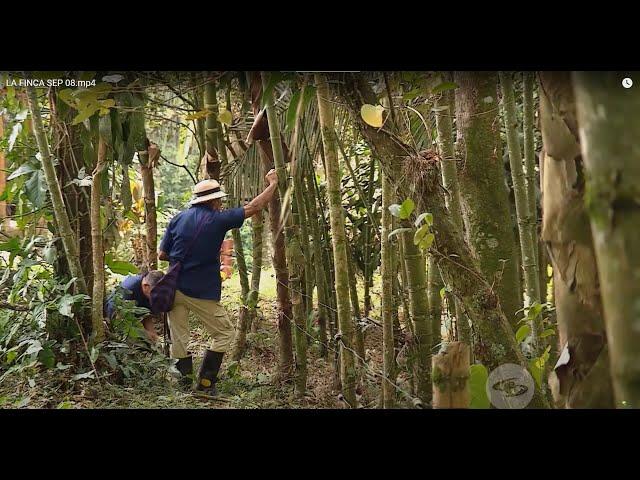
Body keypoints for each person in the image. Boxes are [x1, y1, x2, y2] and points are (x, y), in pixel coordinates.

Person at [158, 168, 278, 397]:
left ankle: (182, 387)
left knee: (179, 337)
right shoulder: (218, 220)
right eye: (219, 201)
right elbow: (253, 207)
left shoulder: (178, 218)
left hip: (173, 288)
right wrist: (272, 184)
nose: (221, 205)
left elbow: (162, 254)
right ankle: (205, 385)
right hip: (200, 291)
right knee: (224, 333)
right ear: (213, 201)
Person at [104, 270, 164, 342]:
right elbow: (120, 318)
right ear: (146, 286)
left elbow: (147, 315)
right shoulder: (129, 288)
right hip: (117, 316)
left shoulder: (149, 292)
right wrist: (145, 334)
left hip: (134, 318)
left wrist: (154, 337)